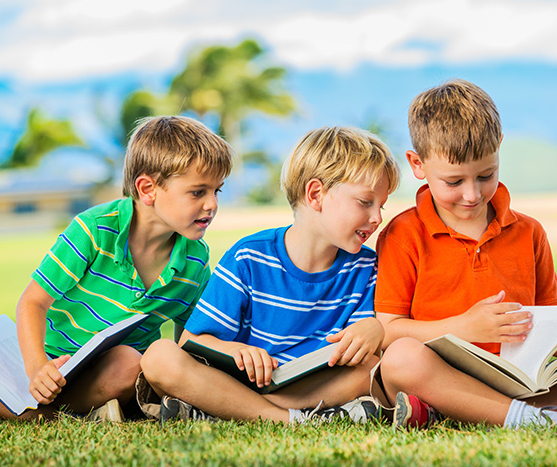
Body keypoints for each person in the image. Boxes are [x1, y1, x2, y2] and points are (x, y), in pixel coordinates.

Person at [374, 79, 557, 430]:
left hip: (517, 377)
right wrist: (463, 327)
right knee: (400, 361)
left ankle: (449, 412)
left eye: (486, 175)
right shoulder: (403, 234)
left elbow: (548, 322)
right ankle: (533, 420)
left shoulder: (529, 232)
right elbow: (387, 331)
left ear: (498, 148)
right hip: (437, 372)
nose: (472, 194)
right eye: (453, 182)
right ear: (417, 164)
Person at [0, 116, 234, 423]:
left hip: (110, 373)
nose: (212, 204)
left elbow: (190, 336)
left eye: (217, 191)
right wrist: (37, 368)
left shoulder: (194, 260)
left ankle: (24, 414)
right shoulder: (95, 229)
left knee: (128, 362)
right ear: (148, 189)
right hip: (49, 364)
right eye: (198, 192)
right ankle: (48, 410)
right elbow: (33, 302)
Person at [139, 126, 400, 424]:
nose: (378, 217)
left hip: (309, 386)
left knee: (369, 367)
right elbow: (191, 342)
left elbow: (358, 355)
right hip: (240, 381)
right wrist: (235, 349)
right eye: (365, 202)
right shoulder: (249, 257)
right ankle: (290, 419)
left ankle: (230, 412)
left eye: (381, 205)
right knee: (160, 356)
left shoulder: (366, 268)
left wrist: (373, 329)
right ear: (315, 195)